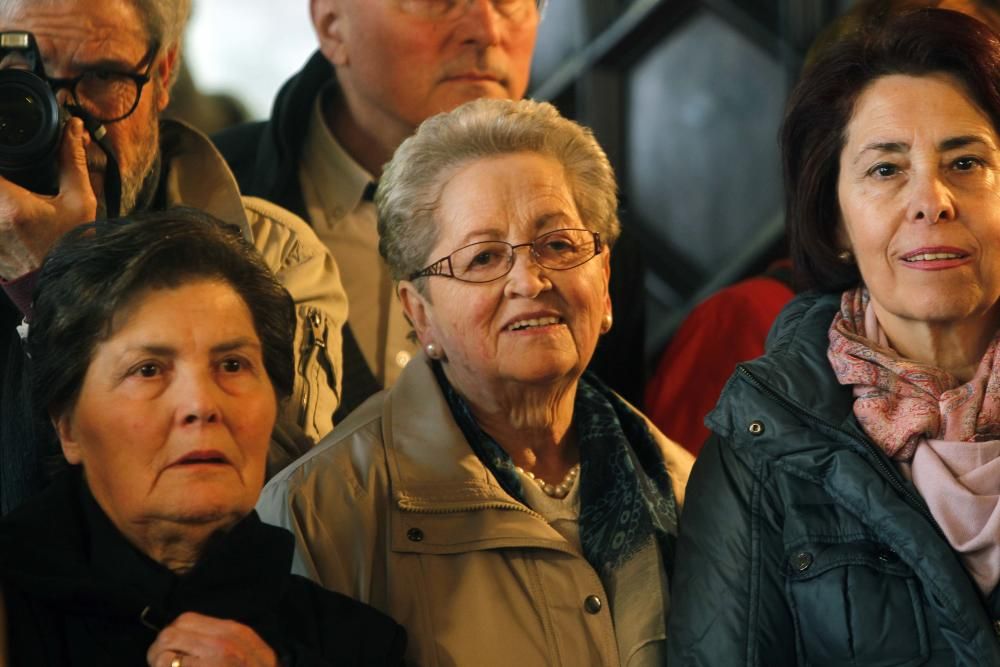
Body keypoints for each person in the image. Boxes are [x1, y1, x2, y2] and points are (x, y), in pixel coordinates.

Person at [257, 98, 694, 667]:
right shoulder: (321, 511)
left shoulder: (686, 486)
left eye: (558, 244)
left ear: (604, 282)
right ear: (420, 312)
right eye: (484, 257)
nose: (529, 280)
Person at [668, 9, 1000, 664]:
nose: (931, 199)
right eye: (885, 170)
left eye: (966, 161)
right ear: (837, 220)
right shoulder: (760, 447)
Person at [0, 209, 405, 666]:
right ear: (68, 426)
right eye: (148, 370)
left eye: (232, 365)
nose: (201, 405)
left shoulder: (357, 645)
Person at [213, 0, 648, 418]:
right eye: (438, 1)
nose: (486, 31)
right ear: (332, 24)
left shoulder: (586, 236)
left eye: (510, 0)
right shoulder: (208, 196)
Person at [0, 0, 346, 514]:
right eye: (21, 81)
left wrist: (53, 283)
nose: (64, 123)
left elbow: (276, 506)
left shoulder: (272, 253)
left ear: (163, 74)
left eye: (101, 76)